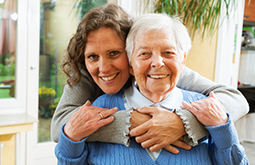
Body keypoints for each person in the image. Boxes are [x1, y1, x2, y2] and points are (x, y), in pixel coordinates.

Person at [51, 4, 248, 153]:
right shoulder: (85, 74)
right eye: (93, 56)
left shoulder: (159, 70)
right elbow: (59, 128)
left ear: (132, 53)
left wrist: (182, 123)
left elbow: (236, 99)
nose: (103, 67)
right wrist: (130, 122)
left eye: (114, 53)